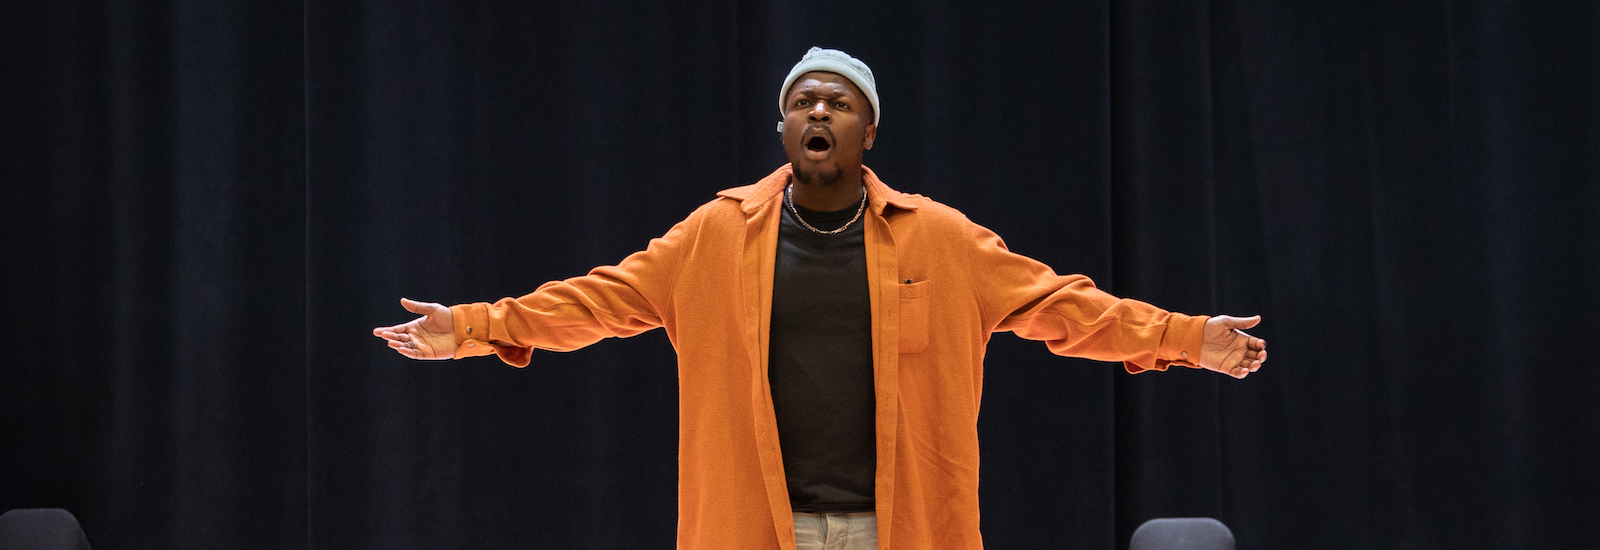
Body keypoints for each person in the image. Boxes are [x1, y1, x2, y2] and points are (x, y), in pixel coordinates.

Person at [373, 47, 1266, 550]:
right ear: (784, 125)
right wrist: (474, 329)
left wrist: (1192, 339)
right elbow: (599, 300)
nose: (818, 113)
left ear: (868, 129)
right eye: (803, 101)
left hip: (901, 525)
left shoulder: (942, 240)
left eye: (838, 102)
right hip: (757, 526)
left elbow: (1070, 307)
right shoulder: (717, 236)